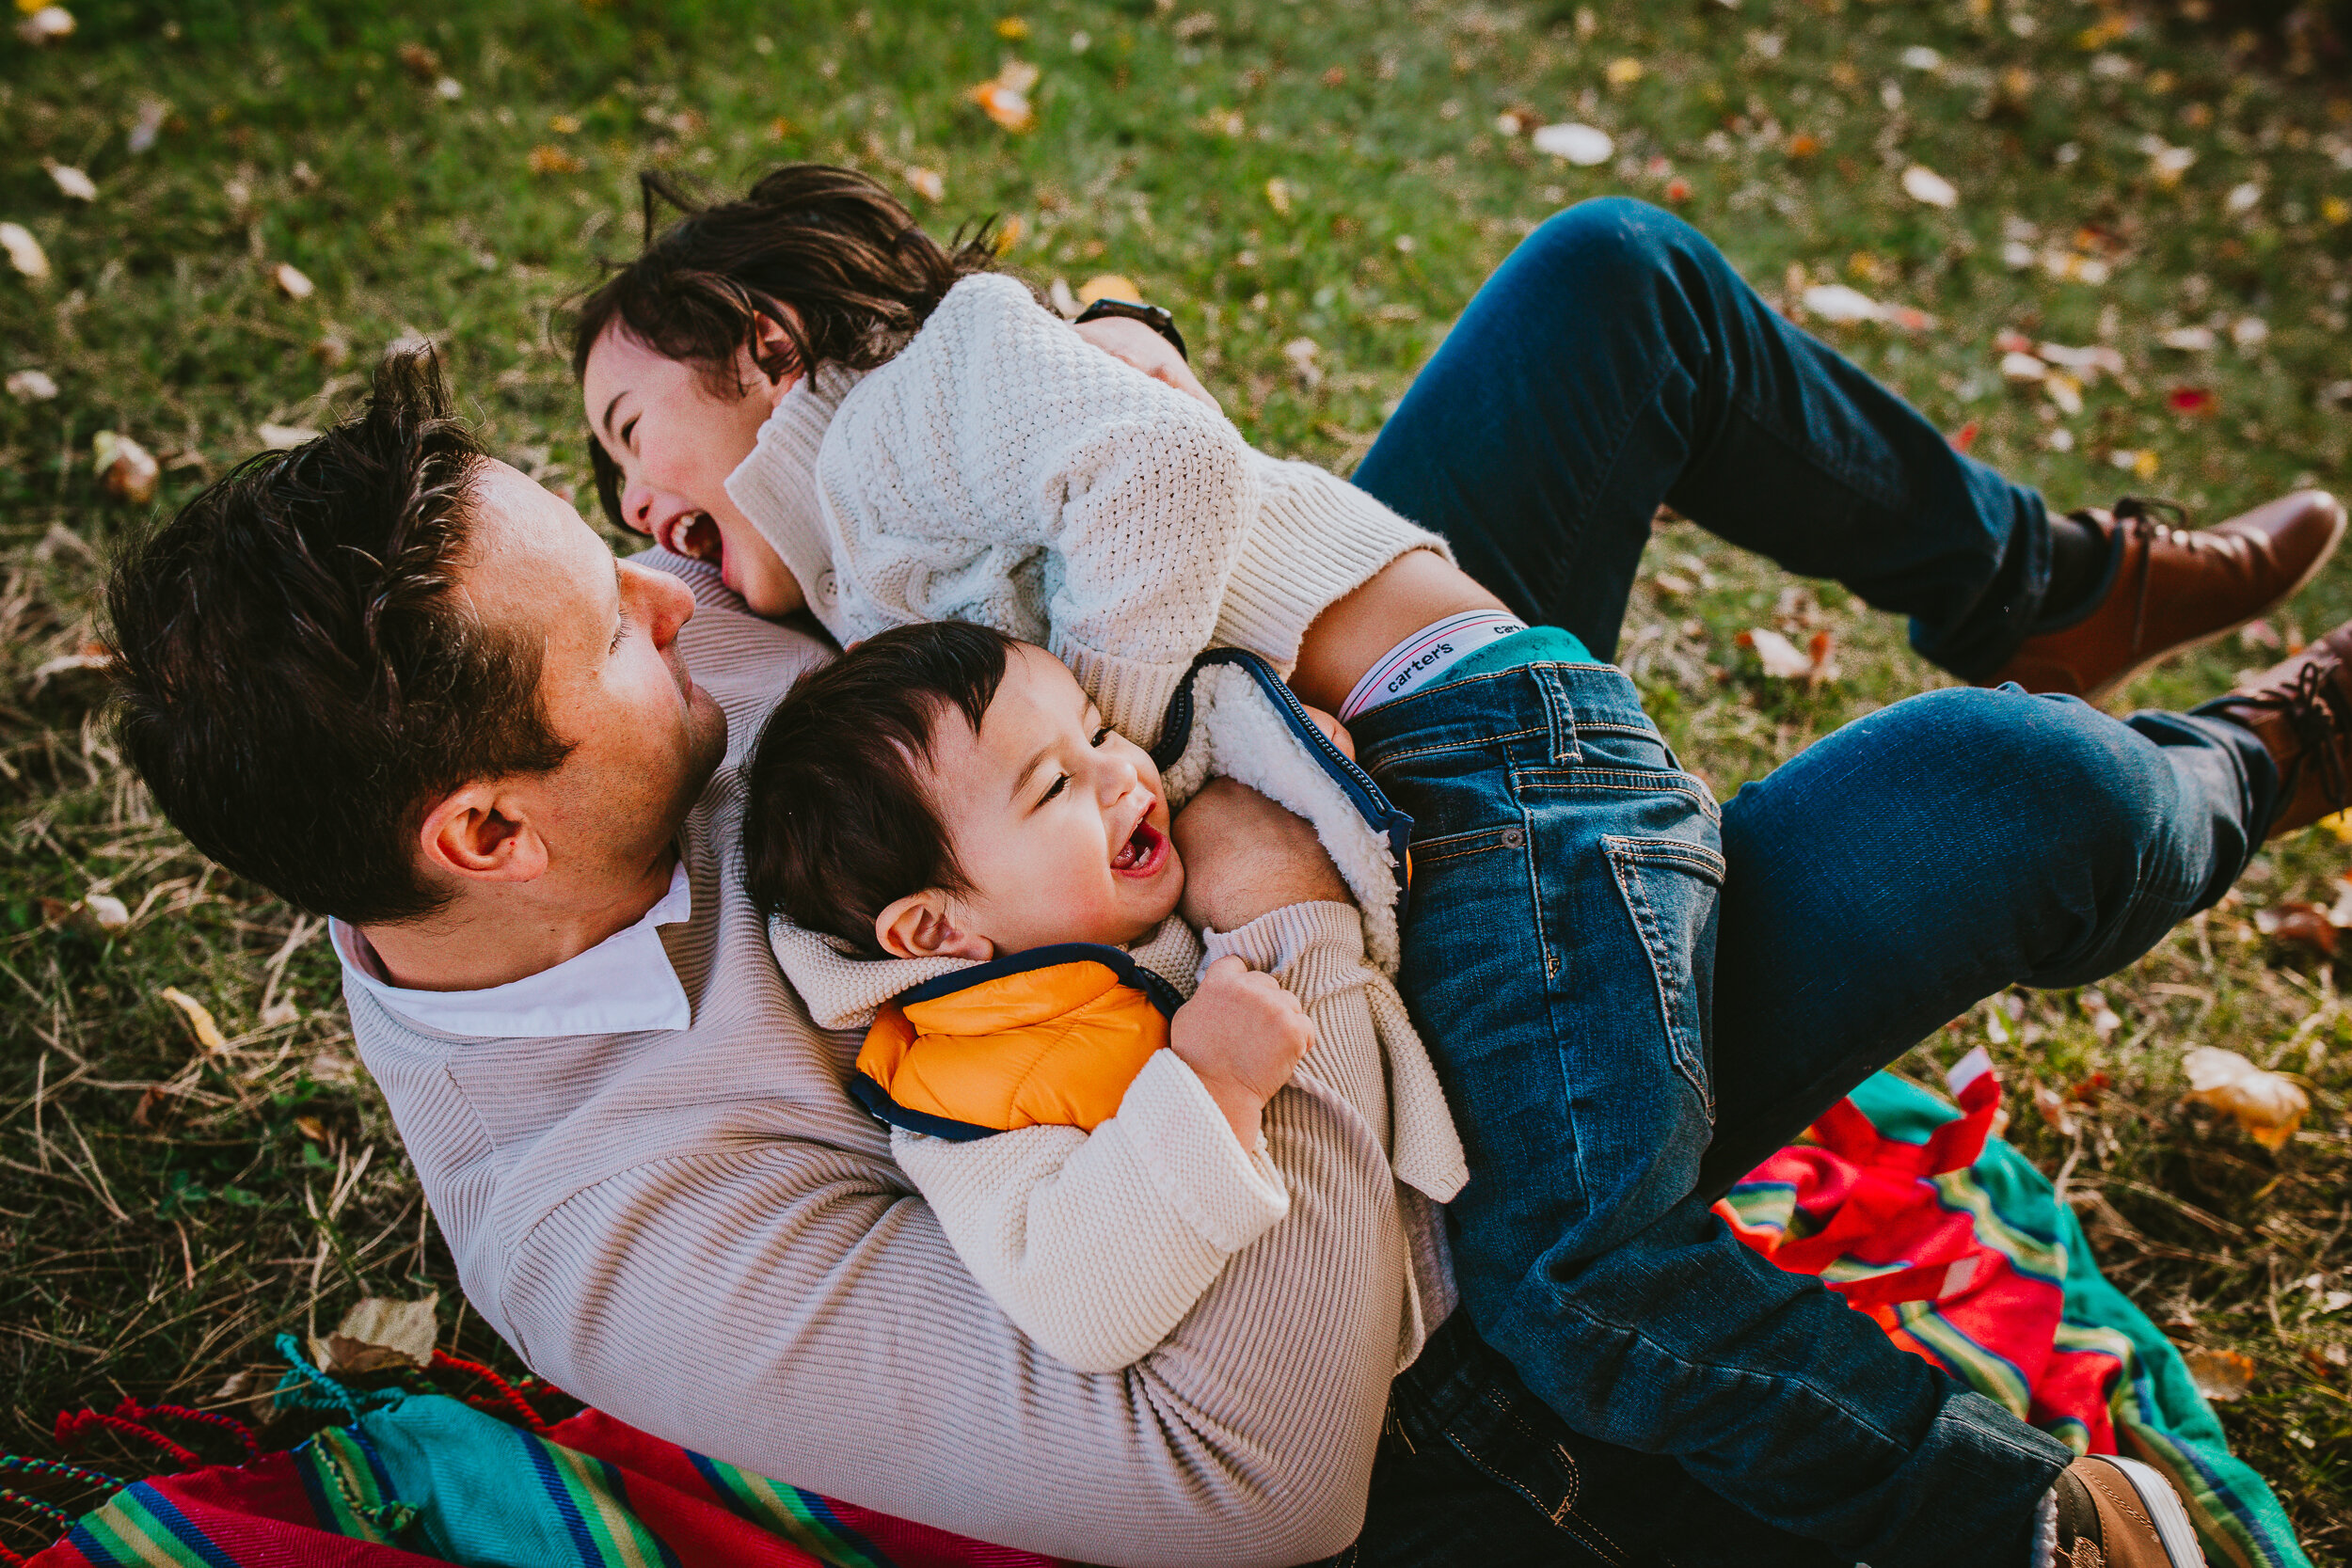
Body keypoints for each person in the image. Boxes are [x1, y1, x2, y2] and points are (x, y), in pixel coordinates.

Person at [571, 166, 2346, 1564]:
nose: (630, 518)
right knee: (2026, 793)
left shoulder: (873, 460)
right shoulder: (778, 596)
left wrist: (1125, 734)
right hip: (1379, 817)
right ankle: (2251, 754)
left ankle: (2044, 588)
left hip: (1417, 740)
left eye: (631, 438)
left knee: (1613, 273)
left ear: (764, 344)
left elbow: (1142, 464)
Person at [743, 621, 1463, 1377]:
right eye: (1055, 785)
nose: (1121, 771)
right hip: (1427, 1382)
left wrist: (1308, 770)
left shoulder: (1118, 892)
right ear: (936, 929)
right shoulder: (969, 1094)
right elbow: (1077, 1302)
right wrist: (1215, 1087)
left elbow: (1237, 748)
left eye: (1099, 729)